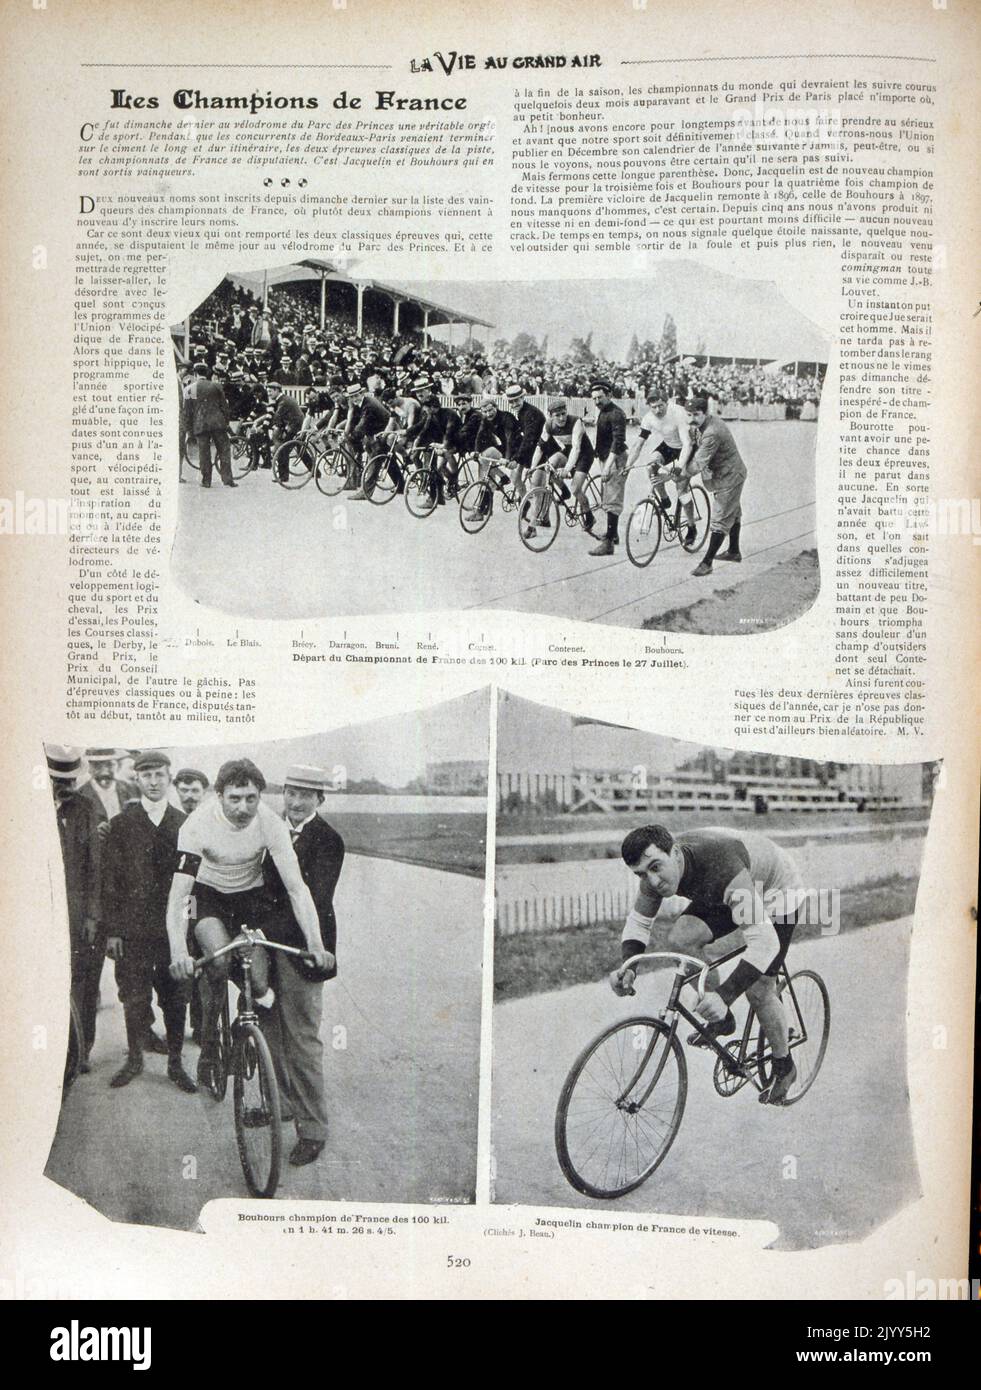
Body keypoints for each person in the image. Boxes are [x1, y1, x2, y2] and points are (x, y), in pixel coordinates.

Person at [165, 759, 331, 1091]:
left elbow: (298, 889)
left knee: (256, 980)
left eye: (251, 798)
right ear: (219, 796)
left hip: (248, 901)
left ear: (260, 796)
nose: (243, 807)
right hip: (206, 896)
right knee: (219, 958)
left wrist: (315, 942)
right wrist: (179, 951)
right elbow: (179, 897)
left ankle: (243, 1030)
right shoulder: (196, 826)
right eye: (235, 798)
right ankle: (210, 1042)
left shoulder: (271, 824)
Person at [611, 824, 804, 1105]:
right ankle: (723, 1021)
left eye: (655, 867)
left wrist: (725, 994)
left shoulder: (721, 867)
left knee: (759, 988)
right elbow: (639, 922)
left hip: (774, 889)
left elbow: (765, 943)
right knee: (680, 939)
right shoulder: (656, 872)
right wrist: (628, 966)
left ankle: (784, 1066)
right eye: (641, 874)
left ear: (674, 853)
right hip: (728, 886)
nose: (652, 881)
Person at [262, 765, 345, 1167]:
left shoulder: (328, 840)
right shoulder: (269, 829)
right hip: (266, 943)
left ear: (320, 800)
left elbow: (314, 897)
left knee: (302, 1039)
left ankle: (313, 1129)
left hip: (303, 950)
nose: (295, 802)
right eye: (291, 793)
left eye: (306, 795)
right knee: (267, 1026)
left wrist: (265, 924)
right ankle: (281, 1105)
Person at [103, 752, 196, 1093]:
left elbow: (195, 882)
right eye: (147, 776)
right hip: (134, 931)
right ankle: (134, 1060)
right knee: (135, 998)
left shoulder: (185, 824)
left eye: (159, 775)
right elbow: (110, 881)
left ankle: (175, 1063)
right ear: (137, 780)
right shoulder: (121, 824)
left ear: (169, 778)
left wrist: (190, 927)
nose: (154, 781)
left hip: (171, 934)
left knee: (175, 998)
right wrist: (113, 930)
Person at [47, 745, 103, 1073]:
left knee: (82, 983)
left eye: (68, 780)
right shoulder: (31, 808)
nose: (63, 787)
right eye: (57, 780)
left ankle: (79, 1052)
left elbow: (95, 866)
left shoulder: (85, 809)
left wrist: (93, 916)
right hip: (44, 910)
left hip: (79, 912)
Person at [685, 394, 747, 575]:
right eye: (688, 415)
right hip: (723, 475)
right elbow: (694, 449)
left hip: (730, 476)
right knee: (733, 512)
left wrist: (679, 474)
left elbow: (698, 463)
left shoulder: (712, 431)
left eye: (696, 414)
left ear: (705, 413)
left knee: (720, 518)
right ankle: (734, 551)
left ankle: (707, 563)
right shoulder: (701, 425)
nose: (692, 419)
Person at [627, 393, 696, 544]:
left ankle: (691, 527)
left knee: (681, 489)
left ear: (667, 403)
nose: (657, 410)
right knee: (650, 466)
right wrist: (628, 465)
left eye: (660, 406)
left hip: (687, 447)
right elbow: (639, 444)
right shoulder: (648, 418)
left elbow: (687, 444)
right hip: (669, 446)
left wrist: (678, 467)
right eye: (654, 407)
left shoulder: (678, 413)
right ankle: (664, 500)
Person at [527, 399, 597, 537]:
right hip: (568, 451)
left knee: (576, 488)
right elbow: (540, 447)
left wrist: (567, 469)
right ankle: (564, 492)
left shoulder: (576, 421)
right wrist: (533, 467)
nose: (561, 418)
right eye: (557, 415)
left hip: (584, 454)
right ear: (551, 416)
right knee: (549, 466)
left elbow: (577, 448)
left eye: (563, 413)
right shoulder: (548, 425)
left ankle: (589, 515)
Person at [587, 381, 628, 557]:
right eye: (594, 398)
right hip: (606, 458)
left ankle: (608, 543)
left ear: (609, 395)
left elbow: (617, 442)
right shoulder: (603, 411)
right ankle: (614, 534)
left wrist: (608, 465)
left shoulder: (617, 414)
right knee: (608, 496)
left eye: (600, 397)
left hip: (615, 459)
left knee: (612, 499)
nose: (597, 401)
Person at [182, 364, 237, 489]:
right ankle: (228, 480)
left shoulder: (189, 389)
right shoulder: (216, 386)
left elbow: (187, 412)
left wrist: (189, 431)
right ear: (207, 373)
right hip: (218, 423)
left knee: (204, 453)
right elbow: (224, 407)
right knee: (224, 450)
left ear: (195, 374)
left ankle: (206, 481)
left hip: (200, 424)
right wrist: (226, 422)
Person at [79, 748, 138, 824]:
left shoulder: (132, 789)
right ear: (89, 768)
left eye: (109, 764)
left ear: (118, 766)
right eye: (97, 765)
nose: (104, 770)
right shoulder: (80, 795)